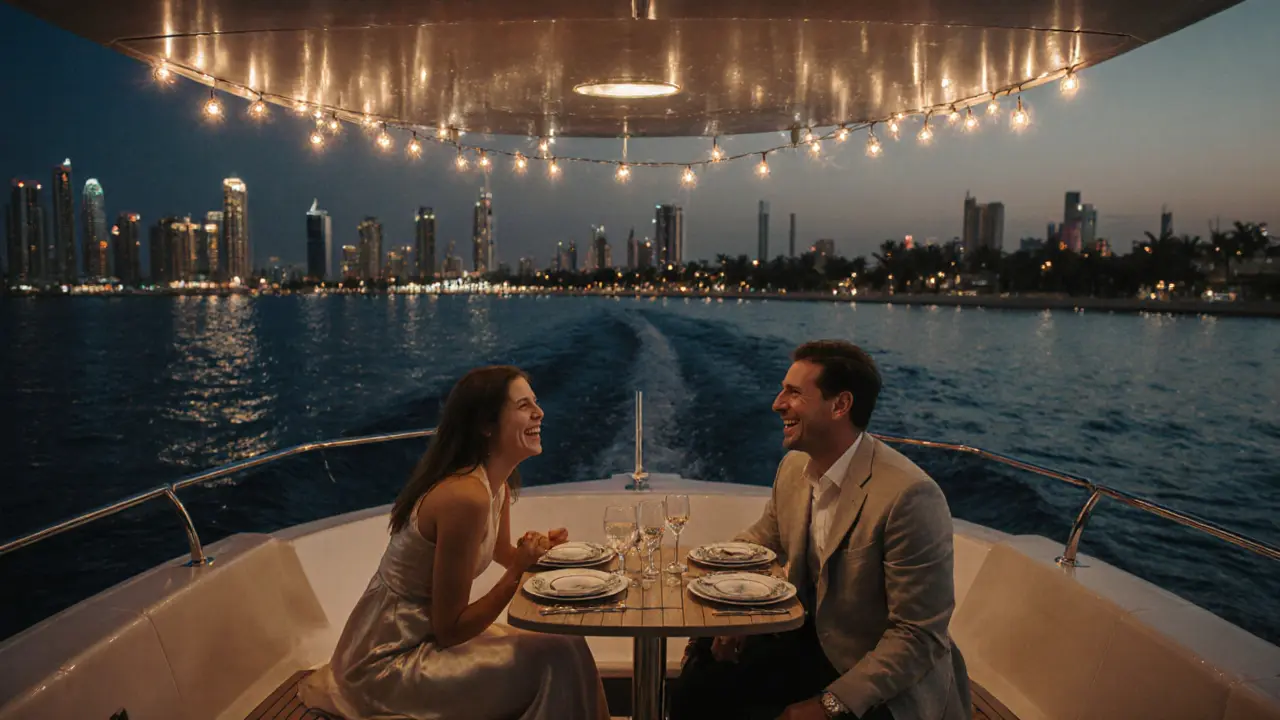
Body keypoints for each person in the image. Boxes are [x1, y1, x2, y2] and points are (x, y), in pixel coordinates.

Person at [670, 340, 970, 720]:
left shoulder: (909, 496)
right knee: (696, 684)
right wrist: (732, 612)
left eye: (794, 393)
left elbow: (919, 636)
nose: (777, 403)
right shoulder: (794, 469)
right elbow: (761, 542)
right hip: (805, 644)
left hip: (875, 678)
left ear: (840, 405)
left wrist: (830, 704)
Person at [300, 366, 610, 720]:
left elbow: (503, 553)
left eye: (535, 403)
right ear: (486, 424)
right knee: (556, 659)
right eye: (524, 406)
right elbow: (450, 629)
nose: (539, 413)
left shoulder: (496, 487)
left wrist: (537, 554)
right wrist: (519, 569)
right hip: (390, 659)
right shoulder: (465, 498)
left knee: (568, 643)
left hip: (426, 636)